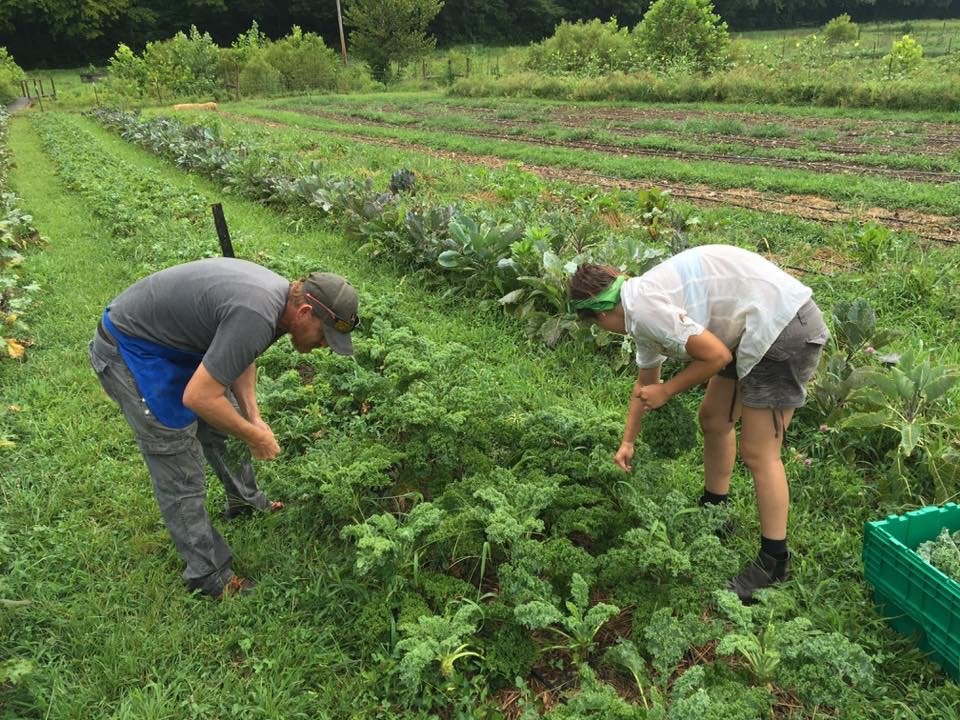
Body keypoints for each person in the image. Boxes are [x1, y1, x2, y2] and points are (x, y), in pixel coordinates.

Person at [568, 244, 828, 602]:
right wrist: (628, 441)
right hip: (750, 329)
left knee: (760, 453)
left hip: (781, 329)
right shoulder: (638, 304)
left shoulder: (643, 309)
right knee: (713, 418)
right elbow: (645, 384)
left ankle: (774, 560)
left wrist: (669, 390)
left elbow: (715, 356)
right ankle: (714, 510)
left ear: (598, 316)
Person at [88, 258, 360, 598]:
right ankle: (208, 577)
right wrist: (254, 436)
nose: (323, 346)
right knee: (179, 464)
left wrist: (252, 416)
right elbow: (200, 397)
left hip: (175, 346)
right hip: (133, 351)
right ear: (305, 311)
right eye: (324, 335)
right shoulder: (258, 312)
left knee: (224, 425)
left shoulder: (278, 304)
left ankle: (246, 503)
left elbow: (242, 354)